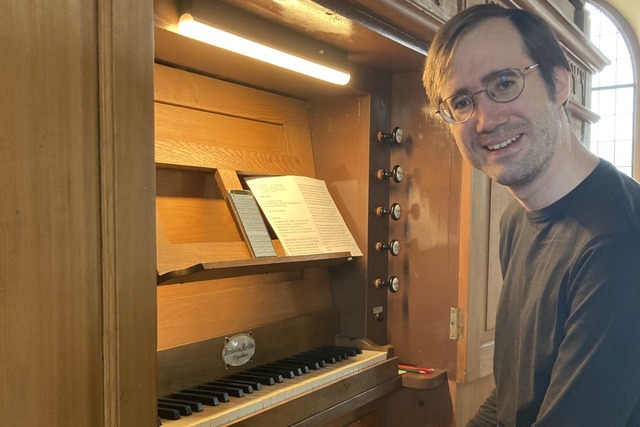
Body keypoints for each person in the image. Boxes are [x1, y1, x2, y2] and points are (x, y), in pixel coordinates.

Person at [422, 4, 640, 426]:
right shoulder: (516, 221)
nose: (485, 121)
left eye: (504, 83)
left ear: (560, 84)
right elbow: (511, 400)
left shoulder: (620, 244)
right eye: (462, 101)